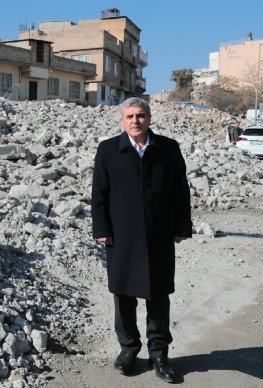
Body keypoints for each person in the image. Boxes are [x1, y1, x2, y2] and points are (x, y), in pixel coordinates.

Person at [91, 97, 192, 383]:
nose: (135, 121)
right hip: (121, 237)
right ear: (122, 121)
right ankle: (128, 350)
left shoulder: (168, 149)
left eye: (140, 116)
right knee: (123, 295)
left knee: (158, 295)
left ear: (149, 118)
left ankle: (159, 355)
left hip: (159, 235)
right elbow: (99, 193)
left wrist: (182, 225)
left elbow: (180, 191)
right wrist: (102, 228)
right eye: (130, 117)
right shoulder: (109, 149)